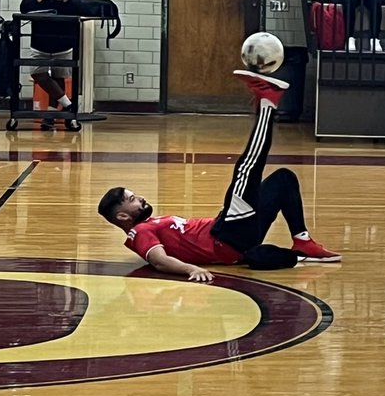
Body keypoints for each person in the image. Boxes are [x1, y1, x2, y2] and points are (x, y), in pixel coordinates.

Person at [97, 71, 342, 279]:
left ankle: (302, 240)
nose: (139, 198)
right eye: (131, 200)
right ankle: (268, 102)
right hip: (227, 237)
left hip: (231, 231)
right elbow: (159, 261)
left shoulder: (150, 223)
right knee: (246, 169)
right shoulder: (138, 232)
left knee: (283, 179)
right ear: (122, 216)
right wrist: (191, 268)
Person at [20, 0, 82, 131]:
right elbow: (25, 8)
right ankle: (69, 106)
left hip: (64, 41)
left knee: (59, 77)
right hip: (40, 40)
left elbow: (78, 8)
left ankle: (52, 116)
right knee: (38, 73)